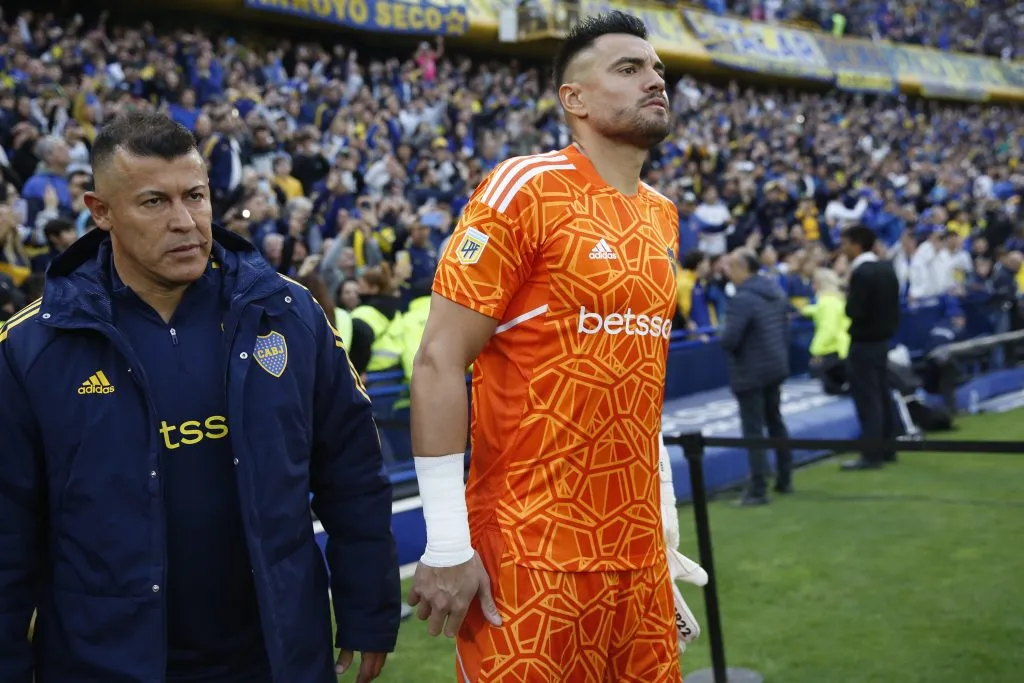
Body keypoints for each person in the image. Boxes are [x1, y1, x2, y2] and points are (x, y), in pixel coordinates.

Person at [0, 112, 400, 683]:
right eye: (154, 203)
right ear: (101, 212)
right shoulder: (31, 347)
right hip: (102, 660)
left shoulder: (289, 315)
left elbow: (353, 471)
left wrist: (369, 607)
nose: (185, 221)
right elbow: (8, 530)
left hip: (277, 655)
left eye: (196, 195)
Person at [407, 11, 684, 682]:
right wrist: (445, 540)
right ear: (575, 100)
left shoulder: (662, 214)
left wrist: (664, 531)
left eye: (657, 69)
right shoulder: (525, 189)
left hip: (637, 558)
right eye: (629, 68)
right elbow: (440, 360)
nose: (654, 79)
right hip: (531, 557)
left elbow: (636, 384)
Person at [719, 248, 793, 506]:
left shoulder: (743, 299)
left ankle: (758, 489)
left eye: (731, 267)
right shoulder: (774, 291)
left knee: (754, 431)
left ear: (743, 268)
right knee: (775, 422)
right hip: (775, 365)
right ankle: (785, 477)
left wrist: (721, 331)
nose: (728, 273)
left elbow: (729, 339)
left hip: (751, 371)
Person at [839, 224, 901, 470]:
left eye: (845, 244)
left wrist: (846, 294)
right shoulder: (886, 268)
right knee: (883, 395)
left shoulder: (862, 273)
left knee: (868, 399)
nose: (842, 249)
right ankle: (888, 448)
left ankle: (872, 455)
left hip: (864, 342)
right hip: (882, 341)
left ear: (856, 244)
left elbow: (854, 310)